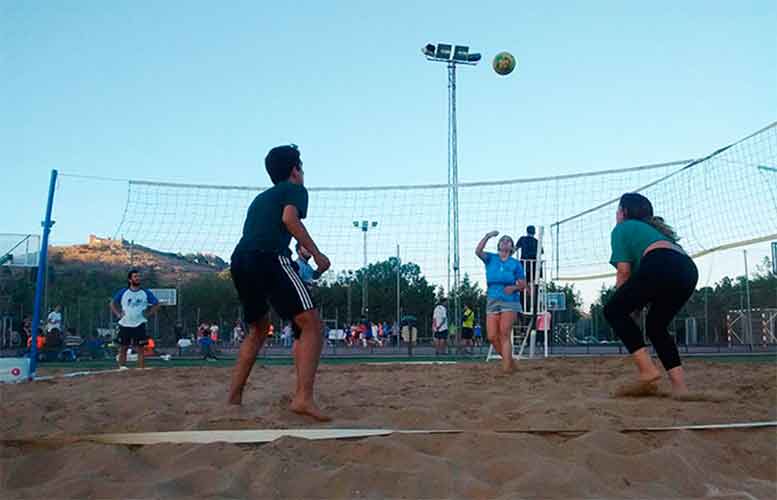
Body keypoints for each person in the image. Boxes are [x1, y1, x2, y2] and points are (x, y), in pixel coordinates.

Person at [228, 144, 331, 421]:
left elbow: (271, 225)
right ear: (295, 170)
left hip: (240, 260)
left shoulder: (260, 199)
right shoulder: (295, 189)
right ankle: (303, 399)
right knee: (311, 324)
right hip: (269, 258)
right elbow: (289, 219)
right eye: (301, 167)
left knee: (258, 330)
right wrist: (318, 255)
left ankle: (234, 398)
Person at [603, 193, 698, 398]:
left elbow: (624, 272)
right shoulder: (654, 232)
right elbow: (644, 280)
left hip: (661, 262)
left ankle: (647, 370)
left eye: (618, 210)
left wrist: (621, 305)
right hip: (688, 269)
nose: (616, 214)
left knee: (612, 310)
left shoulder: (622, 228)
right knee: (656, 327)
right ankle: (680, 388)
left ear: (625, 212)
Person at [476, 231, 527, 373]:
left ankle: (506, 371)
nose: (505, 241)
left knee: (504, 333)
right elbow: (478, 251)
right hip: (492, 299)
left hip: (510, 301)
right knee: (492, 336)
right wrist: (487, 236)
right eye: (502, 240)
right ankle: (510, 362)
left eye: (508, 241)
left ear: (511, 247)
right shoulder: (491, 258)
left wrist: (514, 287)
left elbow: (523, 284)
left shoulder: (515, 264)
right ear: (498, 245)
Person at [110, 269, 161, 369]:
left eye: (139, 276)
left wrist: (149, 313)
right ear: (130, 279)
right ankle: (122, 368)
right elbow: (112, 303)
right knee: (123, 347)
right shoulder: (123, 292)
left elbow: (157, 304)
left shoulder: (145, 292)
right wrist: (118, 314)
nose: (138, 278)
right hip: (125, 324)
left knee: (140, 348)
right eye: (135, 276)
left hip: (139, 323)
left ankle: (141, 369)